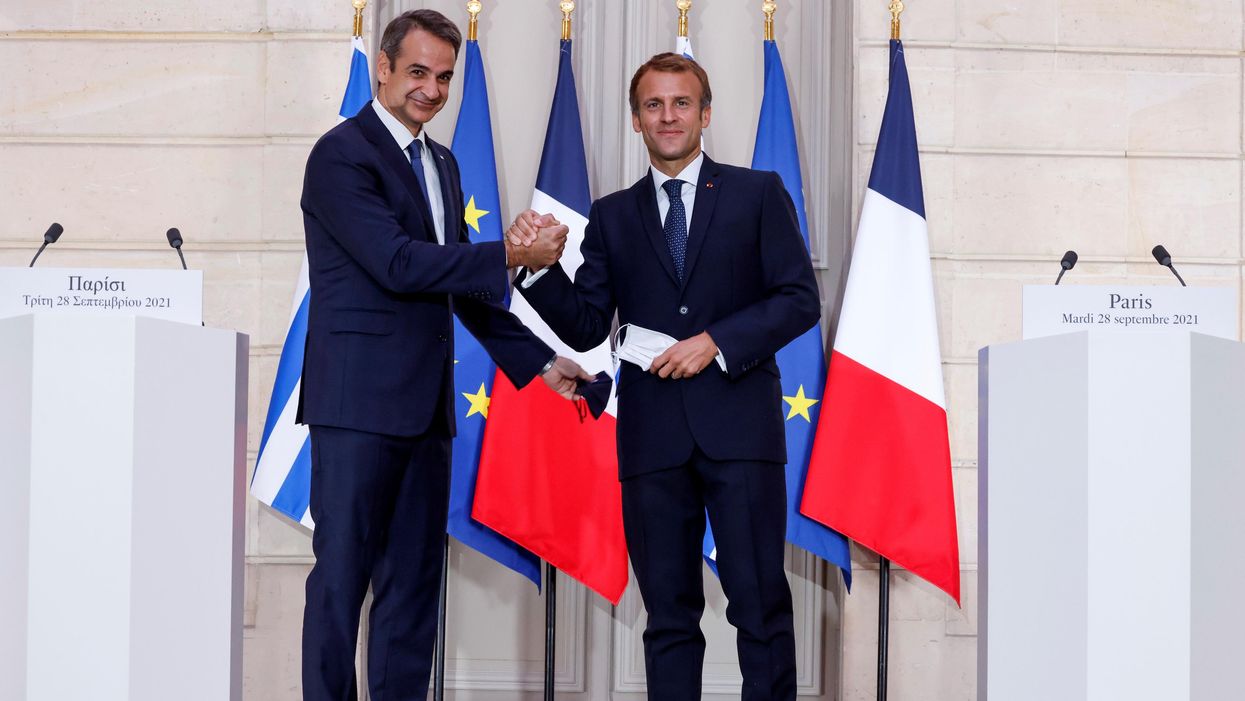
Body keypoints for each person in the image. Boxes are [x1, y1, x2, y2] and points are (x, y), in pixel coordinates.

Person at [296, 9, 585, 701]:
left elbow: (459, 287)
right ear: (383, 69)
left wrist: (542, 362)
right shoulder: (341, 154)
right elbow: (398, 264)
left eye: (445, 77)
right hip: (356, 409)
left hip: (426, 412)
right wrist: (511, 251)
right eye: (418, 72)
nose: (431, 89)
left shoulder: (444, 163)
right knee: (340, 582)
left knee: (413, 587)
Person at [515, 53, 821, 701]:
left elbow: (798, 299)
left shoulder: (757, 193)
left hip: (740, 432)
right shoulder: (612, 215)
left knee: (760, 605)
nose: (668, 116)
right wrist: (537, 267)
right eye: (653, 105)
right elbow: (586, 324)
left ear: (705, 114)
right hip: (652, 440)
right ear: (636, 119)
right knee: (668, 618)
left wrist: (716, 342)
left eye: (681, 103)